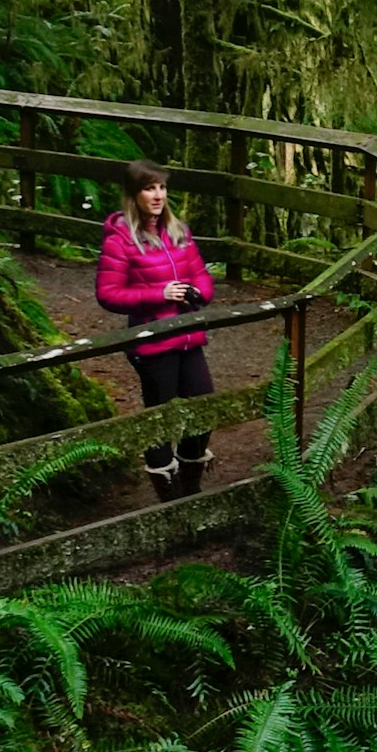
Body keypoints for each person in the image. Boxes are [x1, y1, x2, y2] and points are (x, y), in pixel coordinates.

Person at [96, 160, 218, 500]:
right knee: (160, 419)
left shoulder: (179, 231)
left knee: (204, 409)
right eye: (150, 188)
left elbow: (202, 276)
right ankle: (169, 496)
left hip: (189, 337)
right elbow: (108, 294)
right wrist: (159, 294)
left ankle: (190, 486)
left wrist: (197, 294)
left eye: (162, 188)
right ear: (134, 195)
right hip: (152, 342)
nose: (158, 195)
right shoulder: (120, 240)